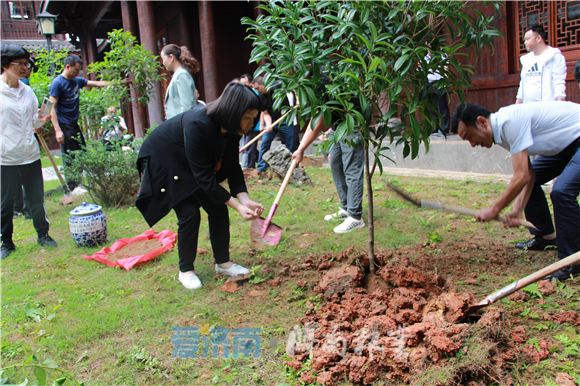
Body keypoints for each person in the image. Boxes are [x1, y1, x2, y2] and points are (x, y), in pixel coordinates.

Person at [135, 82, 264, 290]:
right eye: (248, 118)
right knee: (189, 213)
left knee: (218, 208)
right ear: (234, 112)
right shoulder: (198, 124)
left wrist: (245, 199)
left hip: (189, 163)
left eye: (253, 119)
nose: (251, 124)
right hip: (166, 160)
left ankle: (223, 263)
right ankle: (185, 270)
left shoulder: (231, 130)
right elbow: (204, 179)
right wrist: (238, 207)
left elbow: (232, 167)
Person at [450, 101, 580, 280]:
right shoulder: (502, 131)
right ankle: (546, 236)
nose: (472, 144)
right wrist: (517, 210)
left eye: (469, 136)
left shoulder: (508, 123)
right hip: (567, 144)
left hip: (577, 136)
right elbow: (529, 175)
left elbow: (521, 177)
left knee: (562, 191)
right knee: (537, 178)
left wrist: (495, 209)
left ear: (482, 122)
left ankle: (572, 260)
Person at [1, 44, 57, 259]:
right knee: (5, 203)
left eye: (27, 63)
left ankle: (43, 235)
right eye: (21, 64)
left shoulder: (27, 90)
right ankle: (6, 242)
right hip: (6, 158)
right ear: (6, 66)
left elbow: (34, 120)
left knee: (36, 198)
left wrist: (40, 120)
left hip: (30, 155)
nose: (26, 68)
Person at [49, 54, 129, 191]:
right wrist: (57, 130)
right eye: (75, 69)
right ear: (67, 67)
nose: (76, 73)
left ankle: (79, 183)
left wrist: (120, 82)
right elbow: (51, 107)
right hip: (63, 124)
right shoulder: (57, 84)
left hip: (74, 124)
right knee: (69, 155)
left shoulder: (76, 81)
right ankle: (72, 187)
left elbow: (98, 84)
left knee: (81, 151)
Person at [292, 111, 365, 234]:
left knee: (352, 169)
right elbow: (315, 118)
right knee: (336, 164)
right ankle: (346, 207)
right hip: (336, 128)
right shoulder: (320, 94)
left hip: (351, 126)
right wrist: (300, 148)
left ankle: (355, 217)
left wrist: (301, 149)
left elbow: (318, 120)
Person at [253, 76, 297, 171]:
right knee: (265, 143)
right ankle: (261, 168)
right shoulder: (261, 97)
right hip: (273, 120)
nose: (257, 90)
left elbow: (293, 87)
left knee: (290, 143)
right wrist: (268, 124)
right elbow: (265, 113)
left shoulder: (278, 87)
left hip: (286, 119)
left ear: (264, 84)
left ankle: (291, 167)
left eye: (258, 88)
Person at [515, 24, 566, 105]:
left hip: (547, 108)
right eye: (524, 40)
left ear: (538, 38)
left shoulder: (554, 56)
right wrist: (517, 106)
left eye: (528, 39)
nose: (525, 42)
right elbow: (522, 86)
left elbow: (558, 82)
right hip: (528, 109)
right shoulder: (525, 60)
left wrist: (560, 106)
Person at [161, 44, 200, 120]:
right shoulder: (178, 75)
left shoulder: (181, 75)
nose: (163, 62)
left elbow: (186, 107)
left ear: (171, 57)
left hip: (181, 125)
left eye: (163, 58)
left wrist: (180, 127)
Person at [239, 74, 260, 168]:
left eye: (245, 83)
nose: (243, 85)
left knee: (250, 147)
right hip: (244, 126)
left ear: (250, 83)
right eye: (241, 83)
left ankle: (251, 167)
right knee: (249, 147)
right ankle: (260, 161)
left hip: (255, 127)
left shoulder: (256, 94)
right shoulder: (240, 96)